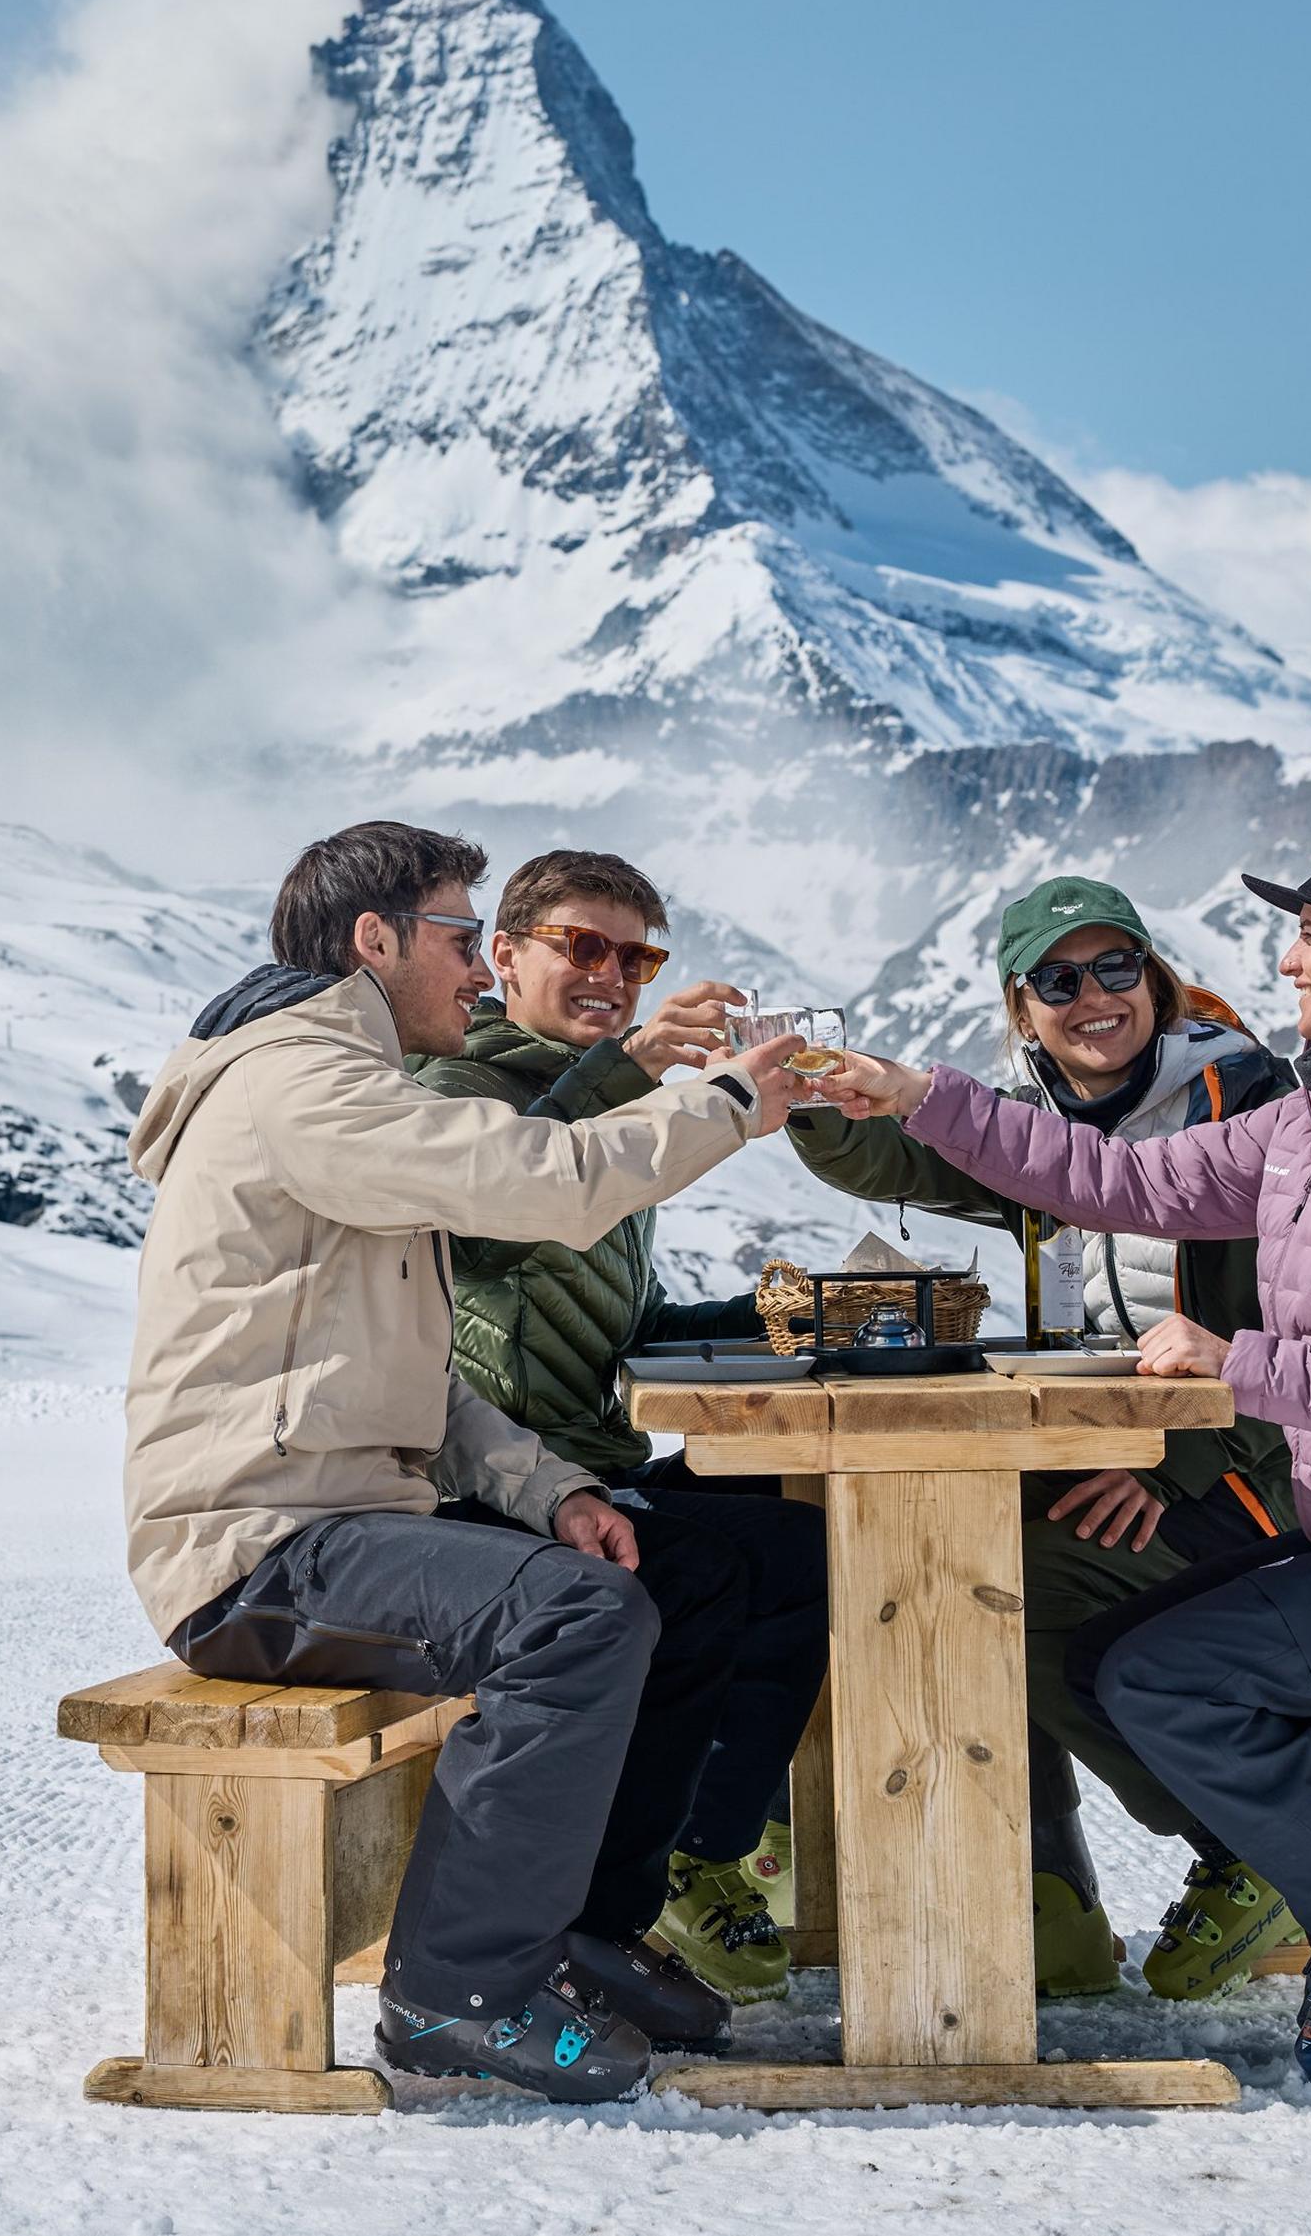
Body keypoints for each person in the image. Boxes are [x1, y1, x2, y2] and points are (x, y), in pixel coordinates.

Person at [814, 838, 1311, 2089]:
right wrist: (917, 1095)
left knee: (1174, 1674)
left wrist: (1239, 1364)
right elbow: (1115, 1177)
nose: (1286, 962)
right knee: (1107, 1646)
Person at [123, 821, 819, 2103]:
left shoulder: (342, 1081)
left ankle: (581, 1933)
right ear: (374, 939)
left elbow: (419, 1374)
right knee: (576, 1618)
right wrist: (726, 1100)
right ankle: (455, 1989)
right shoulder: (302, 1084)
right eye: (458, 934)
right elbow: (541, 1179)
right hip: (256, 1544)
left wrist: (554, 1489)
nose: (475, 968)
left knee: (673, 1573)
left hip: (342, 1521)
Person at [784, 876, 1308, 2002]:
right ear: (1022, 1007)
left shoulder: (1248, 1102)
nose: (1093, 996)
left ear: (1156, 980)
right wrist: (816, 1099)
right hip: (1102, 1455)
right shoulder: (1032, 1124)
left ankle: (1248, 1845)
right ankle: (1050, 1903)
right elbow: (883, 1159)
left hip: (1248, 1475)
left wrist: (1176, 1465)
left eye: (1116, 966)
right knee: (928, 1565)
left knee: (994, 1587)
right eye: (1059, 979)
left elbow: (1306, 1325)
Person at [412, 848, 830, 2005]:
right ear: (505, 955)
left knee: (805, 1532)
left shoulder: (602, 1109)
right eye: (583, 946)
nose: (611, 973)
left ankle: (708, 1840)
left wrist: (785, 1314)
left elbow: (618, 1325)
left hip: (589, 1463)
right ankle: (638, 1889)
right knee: (708, 1571)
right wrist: (628, 1069)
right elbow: (484, 1229)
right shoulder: (452, 1086)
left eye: (635, 958)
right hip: (485, 1484)